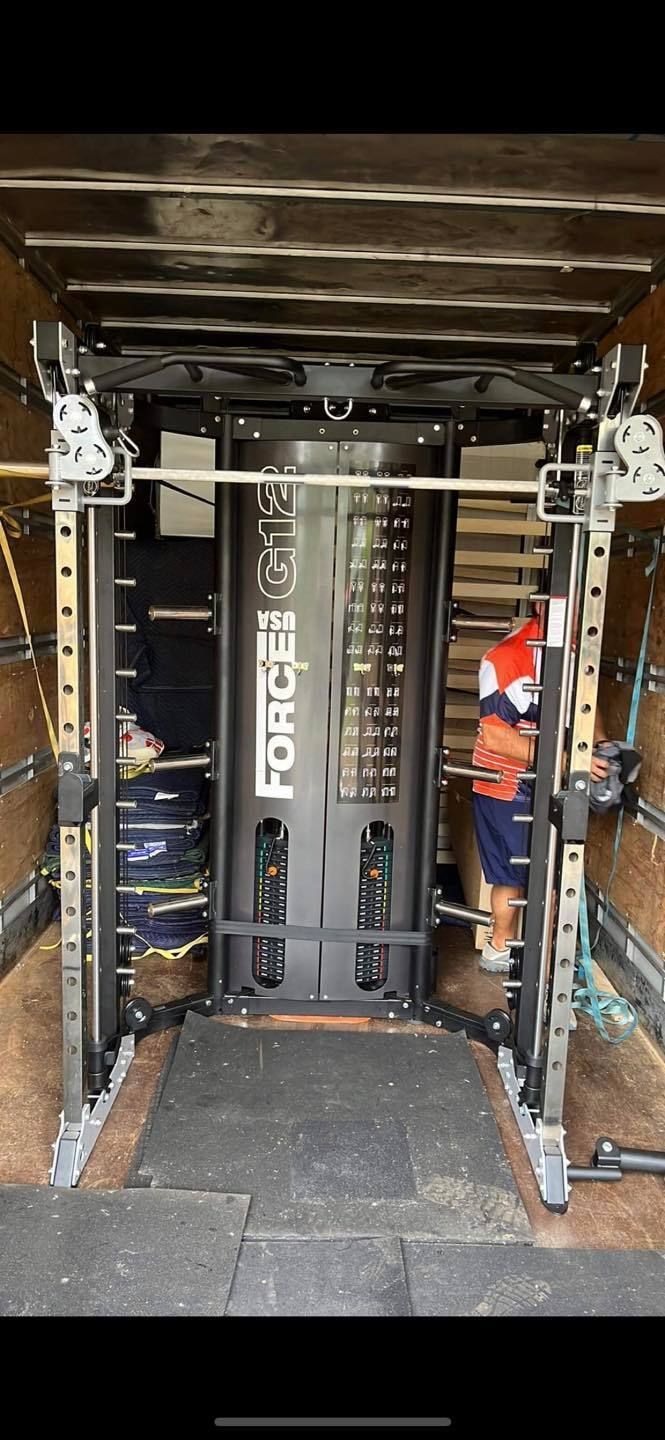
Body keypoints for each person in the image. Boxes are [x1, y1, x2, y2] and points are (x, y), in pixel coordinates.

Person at [471, 604, 609, 974]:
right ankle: (533, 968)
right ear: (541, 606)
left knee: (533, 877)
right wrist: (569, 761)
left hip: (541, 782)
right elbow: (495, 735)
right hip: (506, 786)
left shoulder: (572, 652)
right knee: (530, 878)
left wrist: (601, 746)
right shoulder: (507, 659)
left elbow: (586, 705)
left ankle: (514, 956)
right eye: (576, 608)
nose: (582, 618)